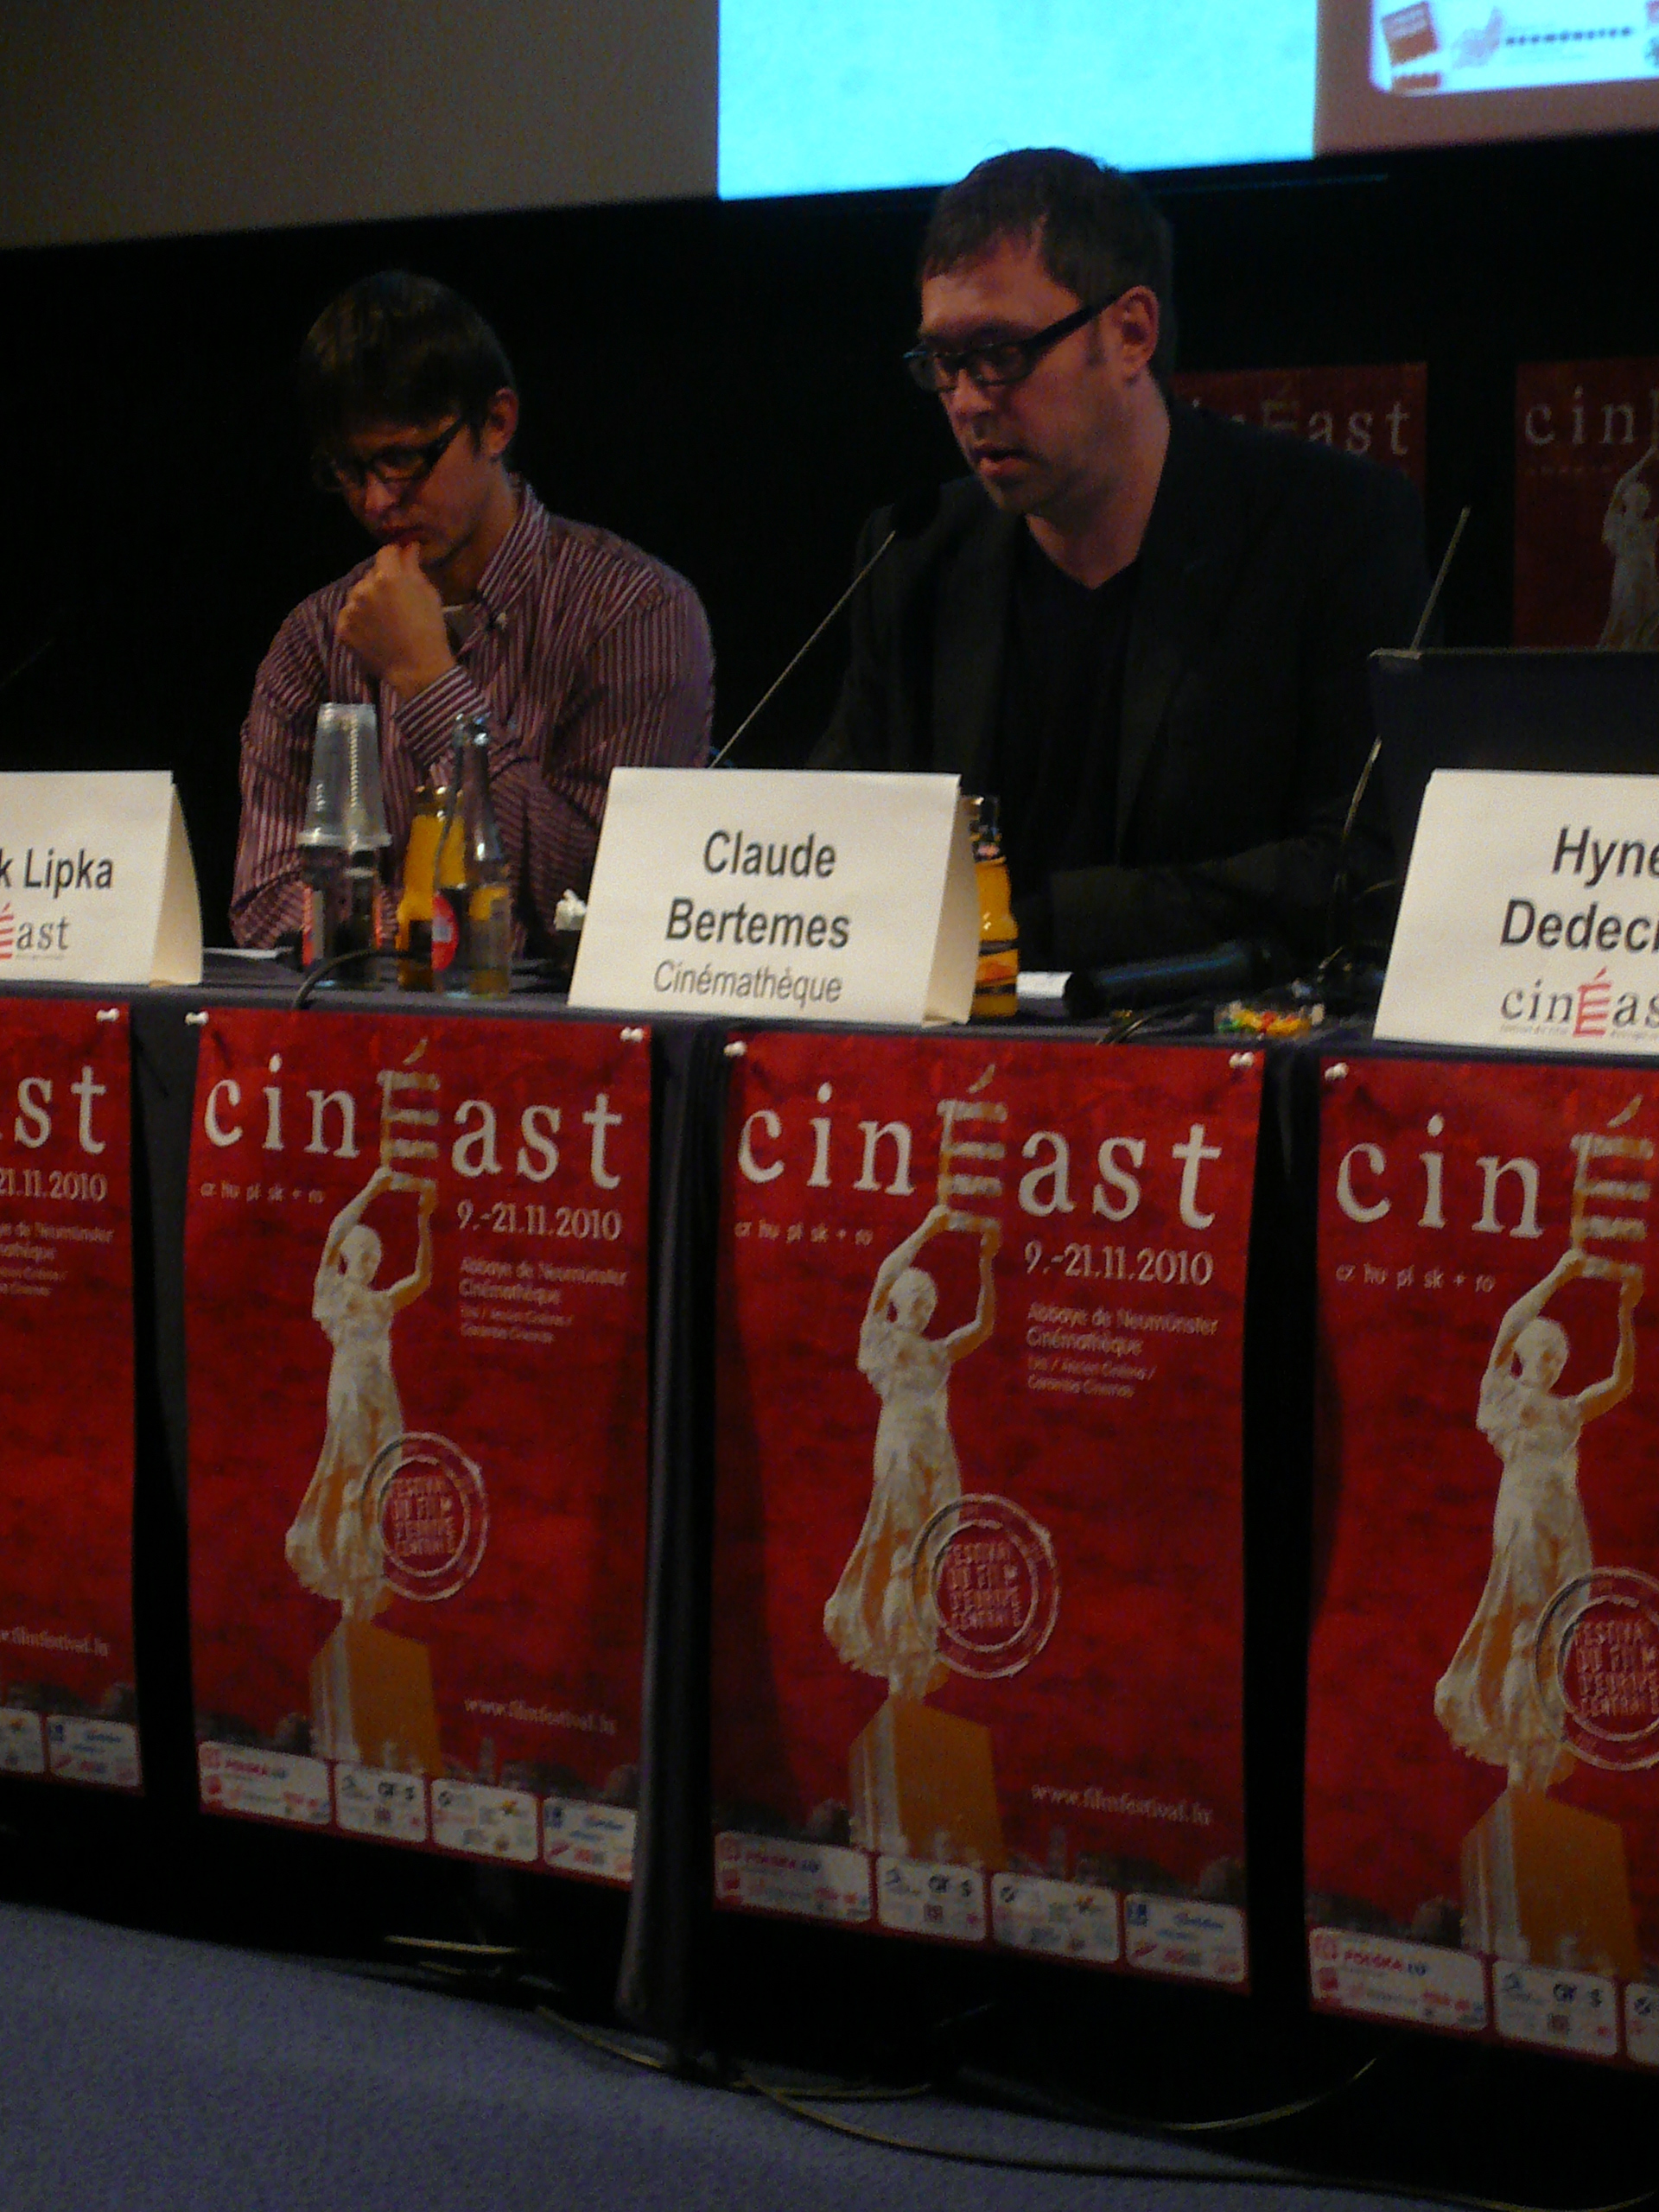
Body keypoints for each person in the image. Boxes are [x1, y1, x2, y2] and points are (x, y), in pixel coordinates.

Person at [814, 149, 1430, 973]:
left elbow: (1360, 869)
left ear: (1131, 332)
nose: (967, 400)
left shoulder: (1328, 527)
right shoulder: (917, 552)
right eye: (945, 364)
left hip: (1213, 1033)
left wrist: (1044, 927)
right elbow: (840, 838)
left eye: (1001, 351)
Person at [232, 271, 713, 950]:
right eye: (349, 470)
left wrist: (430, 684)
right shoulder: (317, 636)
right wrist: (445, 928)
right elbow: (266, 902)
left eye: (403, 459)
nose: (376, 502)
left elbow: (599, 900)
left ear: (496, 424)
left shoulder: (635, 612)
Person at [1434, 1246, 1641, 1795]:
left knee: (1558, 1639)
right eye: (1545, 1352)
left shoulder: (1568, 1411)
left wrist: (1625, 1314)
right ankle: (1519, 1763)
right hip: (1524, 1515)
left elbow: (1620, 1384)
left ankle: (1535, 1772)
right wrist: (1561, 1274)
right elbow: (1509, 1325)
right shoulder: (1503, 1395)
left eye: (1559, 1357)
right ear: (1527, 1354)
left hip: (1565, 1523)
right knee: (1528, 1631)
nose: (1553, 1362)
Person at [823, 1204, 999, 1700]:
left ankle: (914, 1677)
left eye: (930, 1299)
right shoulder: (880, 1340)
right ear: (900, 1302)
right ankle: (900, 1667)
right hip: (900, 1450)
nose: (925, 1304)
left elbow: (982, 1327)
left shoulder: (938, 1352)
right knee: (904, 1551)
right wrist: (928, 1228)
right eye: (917, 1295)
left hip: (937, 1455)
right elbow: (884, 1276)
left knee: (931, 1560)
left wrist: (986, 1262)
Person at [286, 1165, 435, 1619]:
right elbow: (336, 1232)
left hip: (381, 1394)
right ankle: (352, 1584)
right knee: (354, 1480)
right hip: (350, 1390)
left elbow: (421, 1278)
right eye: (366, 1253)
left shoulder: (382, 1301)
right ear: (351, 1255)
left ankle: (367, 1579)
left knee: (380, 1485)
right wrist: (372, 1189)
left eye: (377, 1256)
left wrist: (424, 1220)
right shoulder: (331, 1291)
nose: (373, 1261)